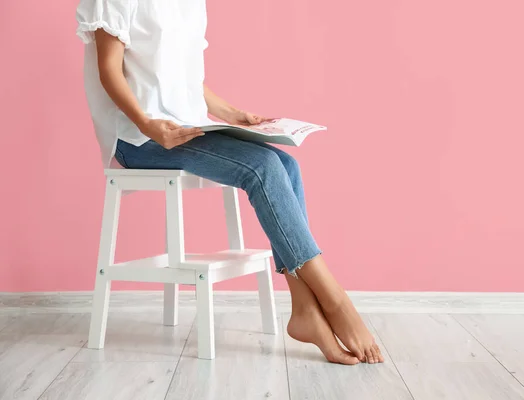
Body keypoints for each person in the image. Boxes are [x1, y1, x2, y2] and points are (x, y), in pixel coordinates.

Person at [76, 0, 383, 365]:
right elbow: (108, 70)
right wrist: (147, 125)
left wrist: (234, 114)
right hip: (137, 138)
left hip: (186, 128)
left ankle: (305, 309)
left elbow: (187, 81)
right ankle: (334, 300)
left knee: (285, 164)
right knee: (262, 167)